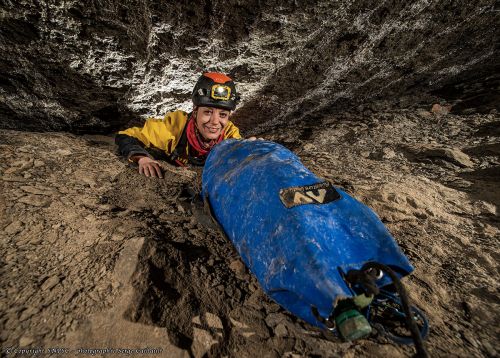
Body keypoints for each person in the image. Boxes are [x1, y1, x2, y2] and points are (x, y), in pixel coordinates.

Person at [115, 72, 244, 178]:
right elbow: (126, 136)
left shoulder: (230, 134)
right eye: (208, 112)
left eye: (223, 115)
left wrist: (256, 149)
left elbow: (241, 152)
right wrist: (142, 158)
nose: (215, 122)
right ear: (195, 111)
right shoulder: (174, 127)